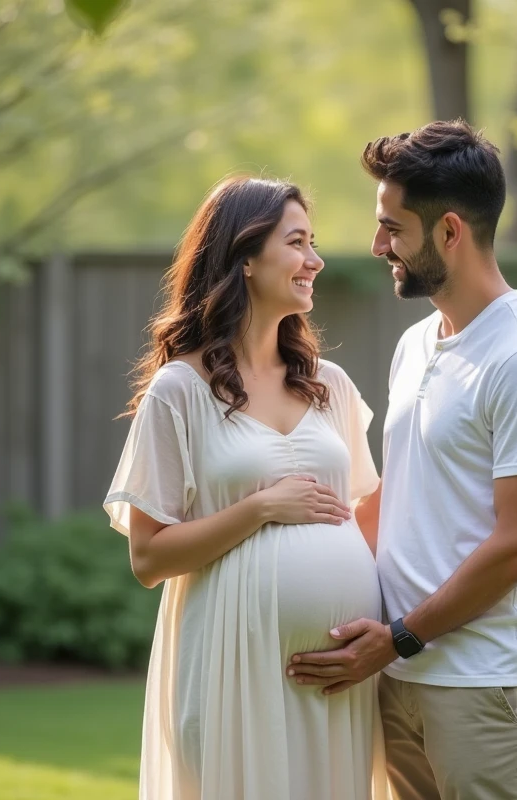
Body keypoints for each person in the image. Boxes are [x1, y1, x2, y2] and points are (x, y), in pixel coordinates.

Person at [286, 120, 517, 800]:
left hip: (485, 683)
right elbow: (402, 495)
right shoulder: (418, 345)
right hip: (402, 678)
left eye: (394, 228)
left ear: (449, 231)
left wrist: (398, 639)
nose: (377, 245)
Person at [104, 176, 390, 800]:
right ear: (245, 257)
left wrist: (378, 625)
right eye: (297, 243)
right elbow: (149, 558)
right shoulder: (180, 390)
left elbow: (367, 511)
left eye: (313, 243)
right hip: (234, 665)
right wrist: (261, 508)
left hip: (339, 679)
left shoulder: (330, 385)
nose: (315, 260)